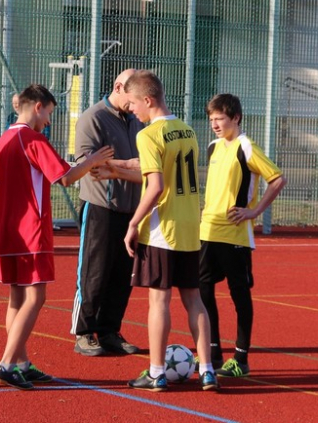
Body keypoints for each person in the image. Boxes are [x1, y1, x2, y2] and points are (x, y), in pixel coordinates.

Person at [0, 84, 113, 390]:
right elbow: (65, 177)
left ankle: (20, 362)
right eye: (48, 113)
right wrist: (92, 160)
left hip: (7, 230)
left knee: (17, 298)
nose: (48, 121)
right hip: (31, 230)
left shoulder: (4, 138)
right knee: (36, 297)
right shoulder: (33, 139)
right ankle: (6, 363)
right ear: (37, 107)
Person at [122, 70, 219, 392]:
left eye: (133, 103)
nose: (131, 109)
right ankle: (207, 370)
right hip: (190, 224)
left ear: (148, 100)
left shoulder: (148, 134)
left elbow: (156, 186)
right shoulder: (187, 130)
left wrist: (133, 223)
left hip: (163, 227)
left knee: (159, 300)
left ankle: (156, 371)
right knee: (194, 299)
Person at [199, 93, 287, 378]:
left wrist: (254, 211)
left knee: (239, 294)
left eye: (220, 119)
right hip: (207, 231)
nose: (215, 124)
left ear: (235, 118)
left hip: (235, 234)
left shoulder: (246, 146)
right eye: (211, 119)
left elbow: (277, 179)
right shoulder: (213, 147)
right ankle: (212, 352)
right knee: (202, 290)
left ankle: (240, 358)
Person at [70, 68, 144, 357]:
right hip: (100, 206)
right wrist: (131, 165)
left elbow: (147, 163)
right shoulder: (93, 118)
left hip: (131, 209)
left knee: (122, 274)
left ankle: (110, 331)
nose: (135, 102)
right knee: (94, 273)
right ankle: (84, 332)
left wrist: (128, 166)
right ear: (118, 87)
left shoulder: (136, 120)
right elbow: (88, 164)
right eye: (132, 95)